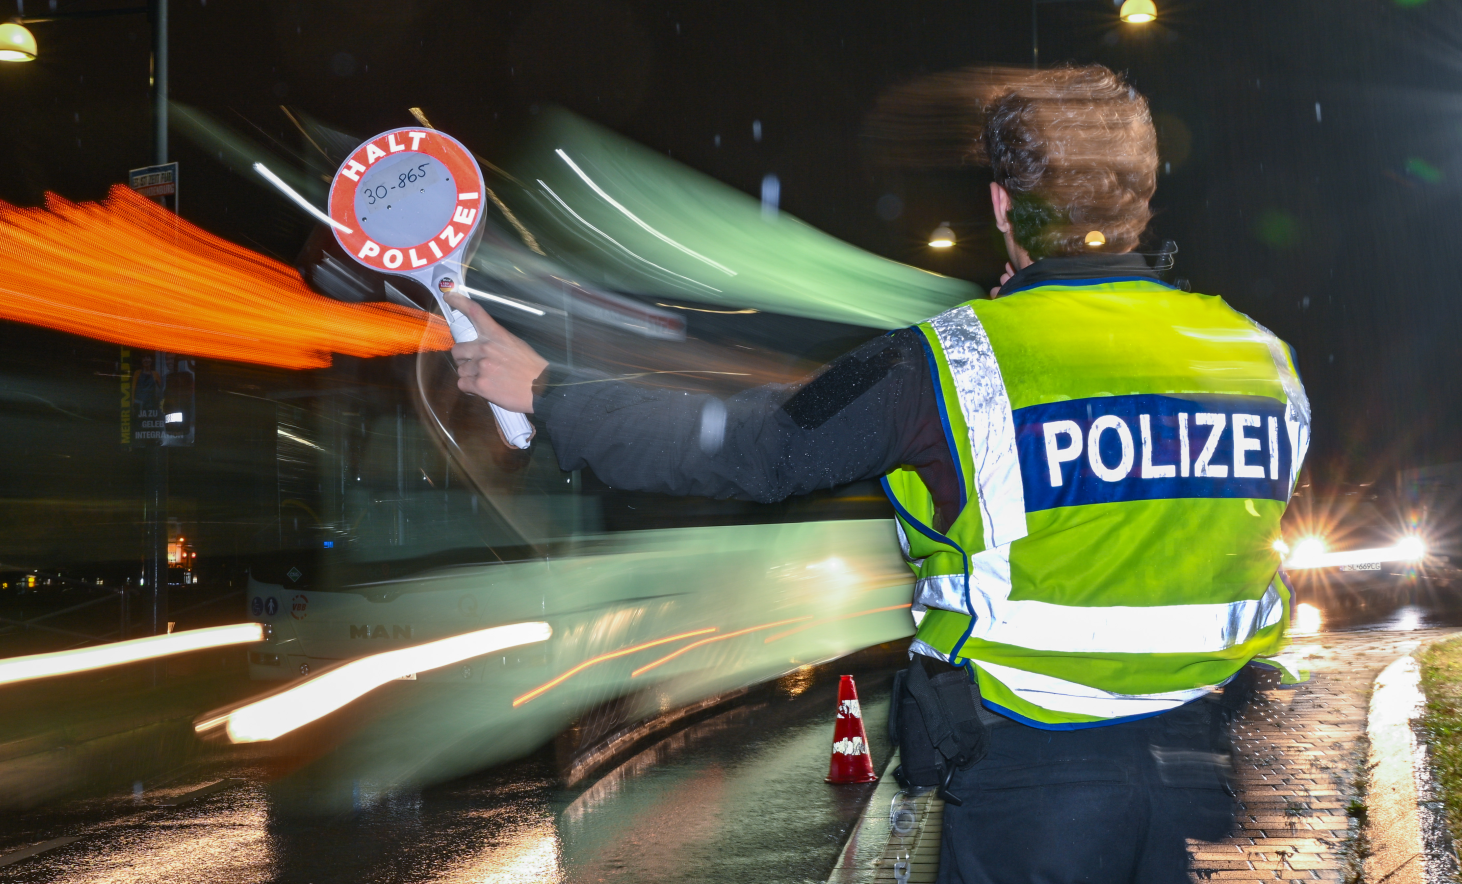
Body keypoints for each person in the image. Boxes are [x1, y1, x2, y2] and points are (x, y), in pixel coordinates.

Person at [445, 65, 1308, 882]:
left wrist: (549, 392)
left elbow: (754, 448)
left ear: (1003, 205)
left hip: (1033, 792)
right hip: (1192, 777)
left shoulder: (951, 362)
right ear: (1141, 203)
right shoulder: (1258, 357)